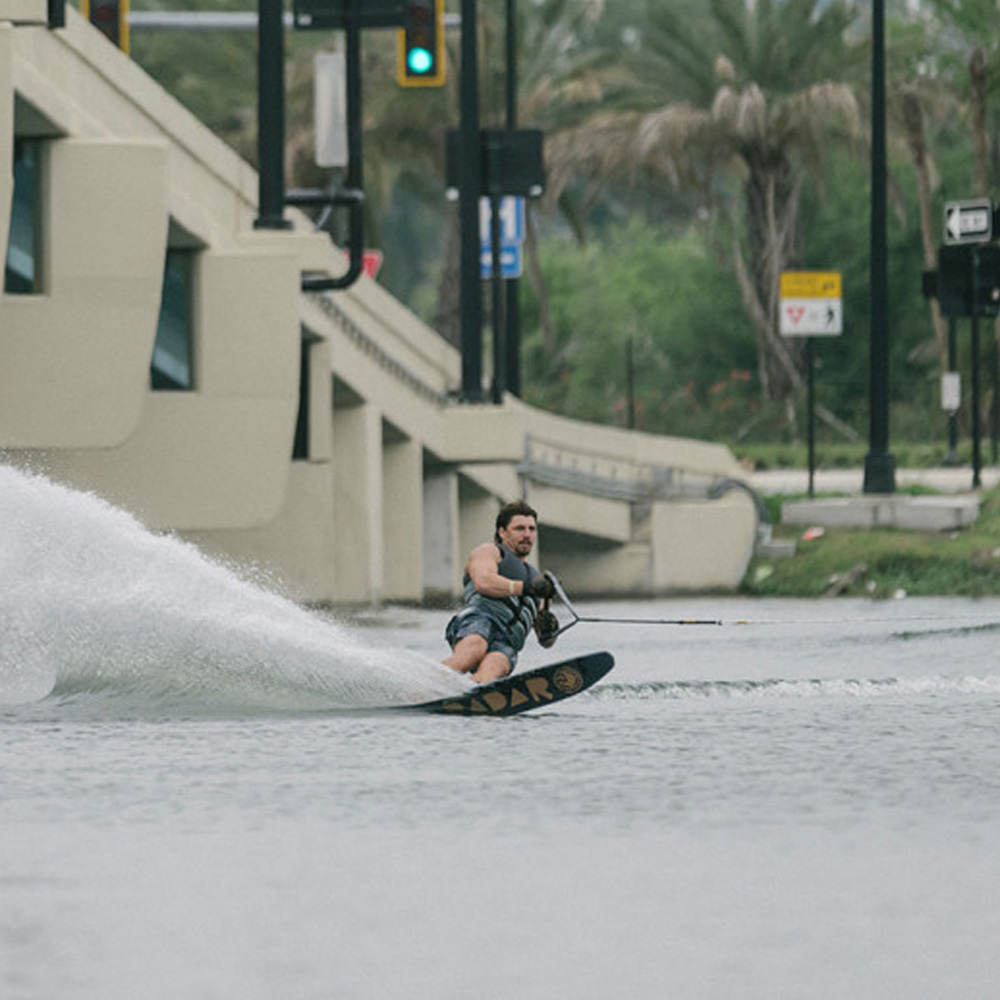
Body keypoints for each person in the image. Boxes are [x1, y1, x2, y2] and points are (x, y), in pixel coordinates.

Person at [443, 499, 560, 684]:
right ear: (502, 532)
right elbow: (483, 582)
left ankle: (474, 695)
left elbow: (546, 642)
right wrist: (526, 588)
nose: (527, 534)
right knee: (473, 651)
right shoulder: (488, 552)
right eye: (519, 528)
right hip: (480, 620)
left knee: (495, 666)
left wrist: (549, 627)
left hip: (507, 642)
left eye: (532, 529)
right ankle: (421, 688)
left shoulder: (538, 581)